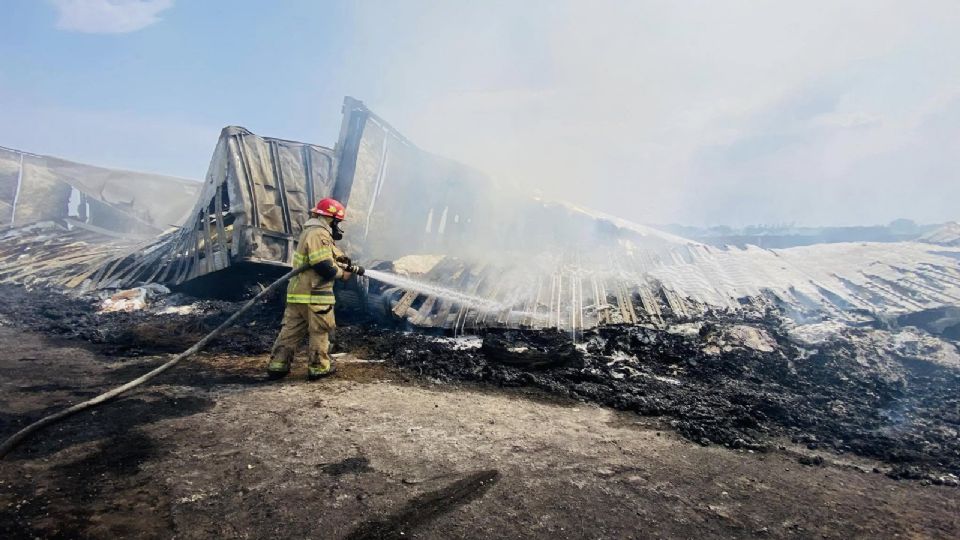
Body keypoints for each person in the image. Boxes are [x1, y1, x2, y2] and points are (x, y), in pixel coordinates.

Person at [267, 197, 364, 380]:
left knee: (290, 333)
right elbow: (323, 265)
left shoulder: (311, 232)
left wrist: (344, 261)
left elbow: (324, 258)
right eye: (337, 221)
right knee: (320, 332)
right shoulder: (319, 233)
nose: (338, 226)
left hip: (299, 295)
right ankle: (319, 368)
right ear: (330, 219)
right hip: (315, 295)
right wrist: (341, 274)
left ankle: (278, 366)